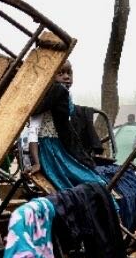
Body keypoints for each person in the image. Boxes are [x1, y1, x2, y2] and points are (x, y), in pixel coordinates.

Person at [27, 60, 107, 190]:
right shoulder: (44, 99)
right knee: (85, 183)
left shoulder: (64, 95)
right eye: (60, 73)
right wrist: (36, 163)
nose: (66, 77)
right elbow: (33, 133)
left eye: (69, 73)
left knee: (94, 180)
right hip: (51, 152)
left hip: (63, 148)